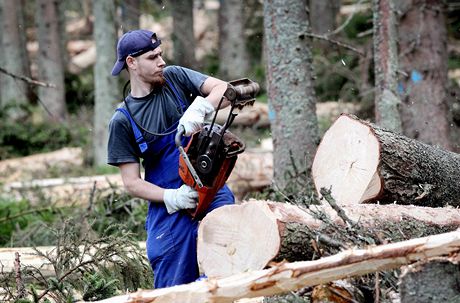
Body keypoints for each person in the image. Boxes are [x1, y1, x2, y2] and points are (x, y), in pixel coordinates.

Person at [107, 29, 235, 288]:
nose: (161, 62)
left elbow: (225, 89)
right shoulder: (123, 120)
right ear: (131, 63)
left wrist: (201, 107)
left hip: (209, 187)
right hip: (170, 201)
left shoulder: (175, 78)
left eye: (161, 54)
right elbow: (131, 182)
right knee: (172, 275)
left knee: (230, 247)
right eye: (152, 57)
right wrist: (171, 197)